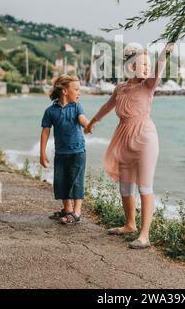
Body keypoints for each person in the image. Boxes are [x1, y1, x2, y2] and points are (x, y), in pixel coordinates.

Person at [85, 43, 175, 248]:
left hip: (145, 137)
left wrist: (165, 52)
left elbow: (159, 68)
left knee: (144, 186)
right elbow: (107, 107)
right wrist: (92, 122)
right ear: (131, 66)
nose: (146, 68)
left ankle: (144, 236)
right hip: (124, 137)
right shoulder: (121, 89)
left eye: (148, 65)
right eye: (142, 64)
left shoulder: (148, 86)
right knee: (125, 186)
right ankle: (129, 225)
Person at [40, 75, 89, 224]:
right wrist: (42, 152)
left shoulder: (77, 106)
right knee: (61, 182)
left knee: (76, 181)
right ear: (64, 91)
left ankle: (77, 212)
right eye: (76, 89)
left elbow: (82, 120)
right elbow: (45, 131)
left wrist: (89, 124)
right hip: (61, 153)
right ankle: (68, 210)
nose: (79, 92)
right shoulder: (50, 111)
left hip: (77, 151)